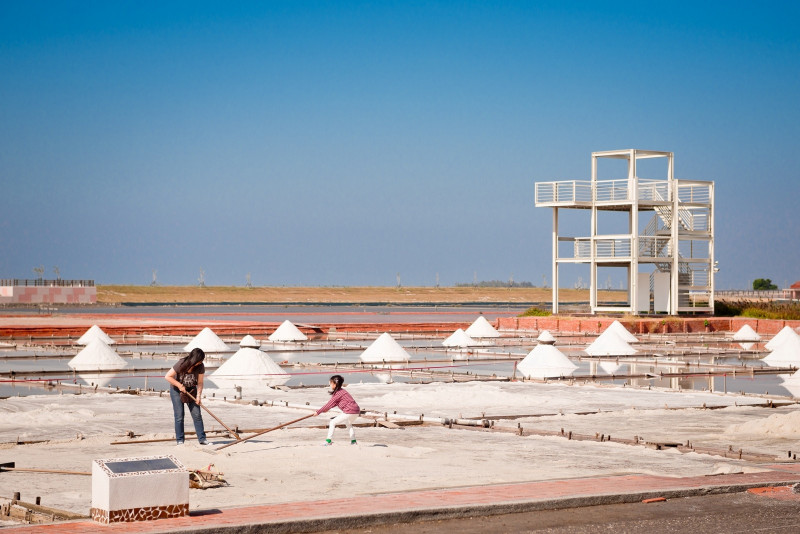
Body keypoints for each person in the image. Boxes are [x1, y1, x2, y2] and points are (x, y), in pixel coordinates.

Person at [165, 348, 208, 445]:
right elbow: (167, 376)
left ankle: (202, 439)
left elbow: (200, 383)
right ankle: (180, 440)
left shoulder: (200, 366)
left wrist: (198, 396)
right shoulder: (182, 363)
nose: (200, 362)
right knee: (179, 415)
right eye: (199, 360)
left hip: (191, 390)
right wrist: (180, 386)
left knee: (197, 415)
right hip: (176, 390)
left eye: (201, 361)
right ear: (194, 359)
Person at [315, 374, 361, 445]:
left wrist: (318, 412)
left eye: (331, 383)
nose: (330, 385)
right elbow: (334, 403)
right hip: (356, 411)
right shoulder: (342, 391)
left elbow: (329, 404)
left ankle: (328, 441)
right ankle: (353, 441)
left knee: (332, 422)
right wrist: (327, 409)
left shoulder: (338, 394)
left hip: (349, 411)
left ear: (335, 384)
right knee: (348, 424)